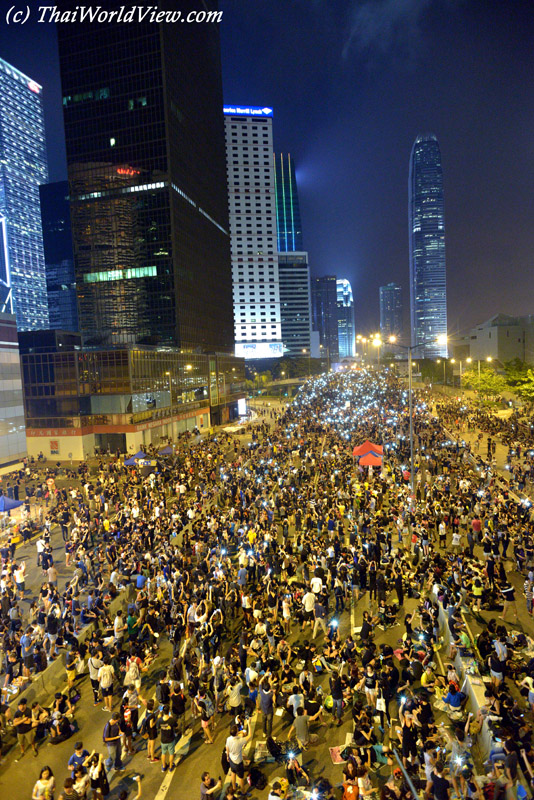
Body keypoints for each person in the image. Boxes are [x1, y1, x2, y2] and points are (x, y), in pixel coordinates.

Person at [225, 721, 252, 795]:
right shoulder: (240, 740)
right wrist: (249, 724)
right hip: (238, 762)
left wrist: (227, 756)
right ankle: (243, 792)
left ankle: (234, 787)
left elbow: (227, 747)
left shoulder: (228, 739)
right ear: (237, 732)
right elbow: (250, 735)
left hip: (231, 760)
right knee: (240, 778)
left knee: (233, 773)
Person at [159, 704, 178, 773]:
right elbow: (176, 725)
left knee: (163, 753)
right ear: (169, 711)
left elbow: (158, 727)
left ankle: (164, 766)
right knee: (171, 753)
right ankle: (170, 766)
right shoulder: (171, 720)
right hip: (170, 739)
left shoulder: (160, 720)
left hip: (163, 739)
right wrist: (171, 718)